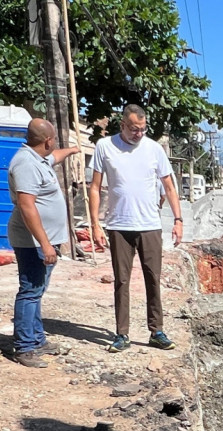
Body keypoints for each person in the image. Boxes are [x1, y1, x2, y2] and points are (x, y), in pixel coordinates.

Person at [88, 104, 183, 353]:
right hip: (119, 226)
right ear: (122, 125)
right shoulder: (104, 147)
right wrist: (95, 224)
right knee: (122, 280)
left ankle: (156, 330)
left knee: (153, 279)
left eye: (142, 129)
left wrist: (178, 220)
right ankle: (122, 333)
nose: (138, 134)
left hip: (149, 225)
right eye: (133, 129)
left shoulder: (154, 149)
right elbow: (95, 187)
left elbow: (169, 187)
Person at [6, 118, 80, 368]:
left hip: (42, 240)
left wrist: (70, 151)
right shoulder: (26, 164)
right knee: (29, 290)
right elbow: (27, 207)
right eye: (54, 141)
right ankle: (24, 346)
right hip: (32, 241)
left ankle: (36, 339)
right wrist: (45, 245)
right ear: (47, 140)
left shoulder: (37, 158)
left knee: (37, 290)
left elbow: (54, 157)